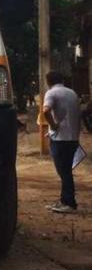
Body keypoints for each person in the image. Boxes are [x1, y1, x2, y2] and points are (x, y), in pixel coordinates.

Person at [43, 71, 81, 214]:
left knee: (64, 172)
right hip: (73, 139)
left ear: (48, 81)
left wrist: (53, 126)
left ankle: (69, 202)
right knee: (66, 171)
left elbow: (46, 111)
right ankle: (64, 200)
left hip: (60, 140)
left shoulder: (52, 93)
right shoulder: (72, 93)